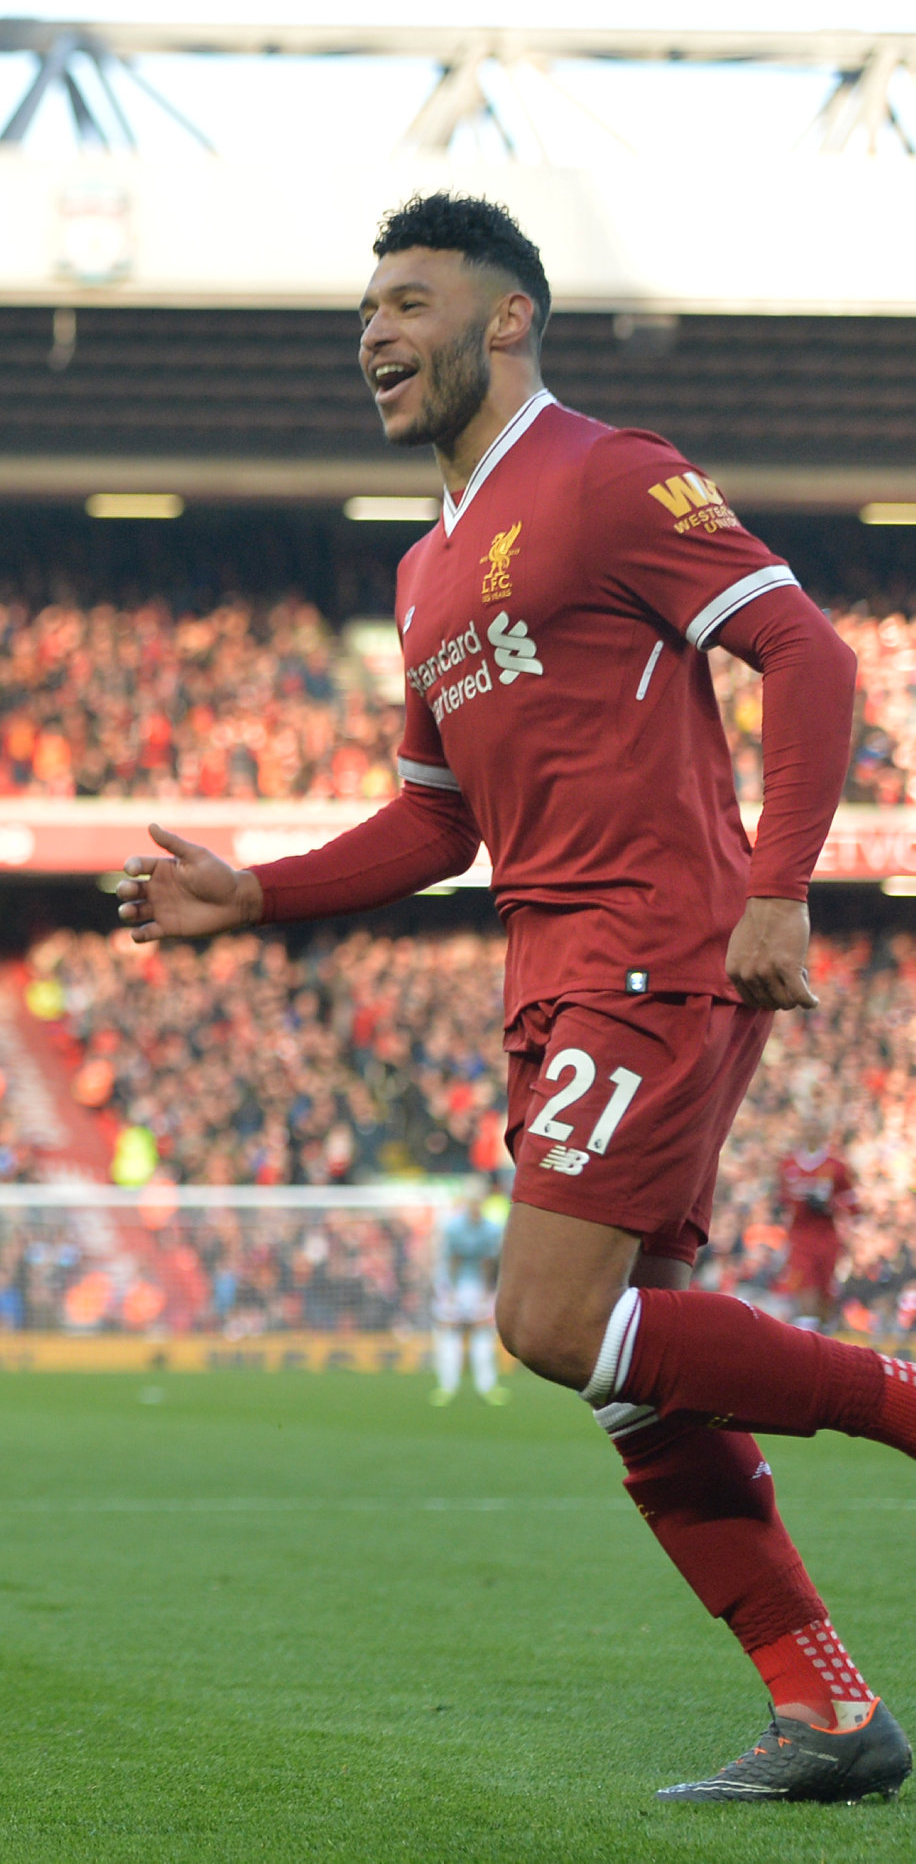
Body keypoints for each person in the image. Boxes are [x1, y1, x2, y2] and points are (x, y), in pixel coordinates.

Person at [117, 193, 893, 1804]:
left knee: (548, 1322)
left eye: (409, 301)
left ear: (508, 317)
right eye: (365, 314)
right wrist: (254, 893)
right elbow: (434, 823)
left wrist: (778, 878)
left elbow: (809, 656)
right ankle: (826, 1711)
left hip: (655, 945)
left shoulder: (607, 476)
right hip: (553, 974)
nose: (377, 334)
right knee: (631, 1371)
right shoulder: (425, 570)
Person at [428, 1182, 505, 1406]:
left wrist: (487, 1290)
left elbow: (490, 1262)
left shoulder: (492, 1229)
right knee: (449, 1333)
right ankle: (446, 1385)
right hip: (453, 1283)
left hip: (478, 1284)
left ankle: (487, 1385)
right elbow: (451, 1260)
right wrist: (449, 1291)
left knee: (483, 1332)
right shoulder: (453, 1227)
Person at [771, 1144, 855, 1330]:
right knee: (806, 1288)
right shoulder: (788, 1164)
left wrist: (830, 1205)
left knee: (826, 1294)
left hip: (827, 1237)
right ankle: (808, 1337)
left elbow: (851, 1203)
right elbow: (782, 1199)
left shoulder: (836, 1166)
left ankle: (826, 1333)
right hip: (800, 1237)